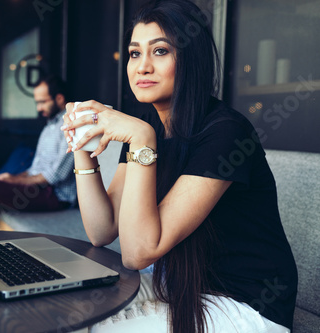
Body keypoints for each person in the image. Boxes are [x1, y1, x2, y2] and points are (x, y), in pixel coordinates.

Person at [61, 1, 297, 332]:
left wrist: (141, 140)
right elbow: (103, 229)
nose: (142, 66)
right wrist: (81, 144)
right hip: (181, 290)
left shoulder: (225, 132)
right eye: (134, 53)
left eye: (159, 51)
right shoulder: (148, 122)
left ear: (190, 58)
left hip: (245, 304)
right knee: (65, 311)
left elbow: (137, 253)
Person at [0, 75, 76, 223]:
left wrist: (14, 180)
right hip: (38, 189)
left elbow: (55, 175)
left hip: (56, 196)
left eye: (42, 102)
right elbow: (34, 169)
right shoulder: (49, 126)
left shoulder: (72, 125)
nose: (38, 108)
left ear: (60, 99)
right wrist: (10, 178)